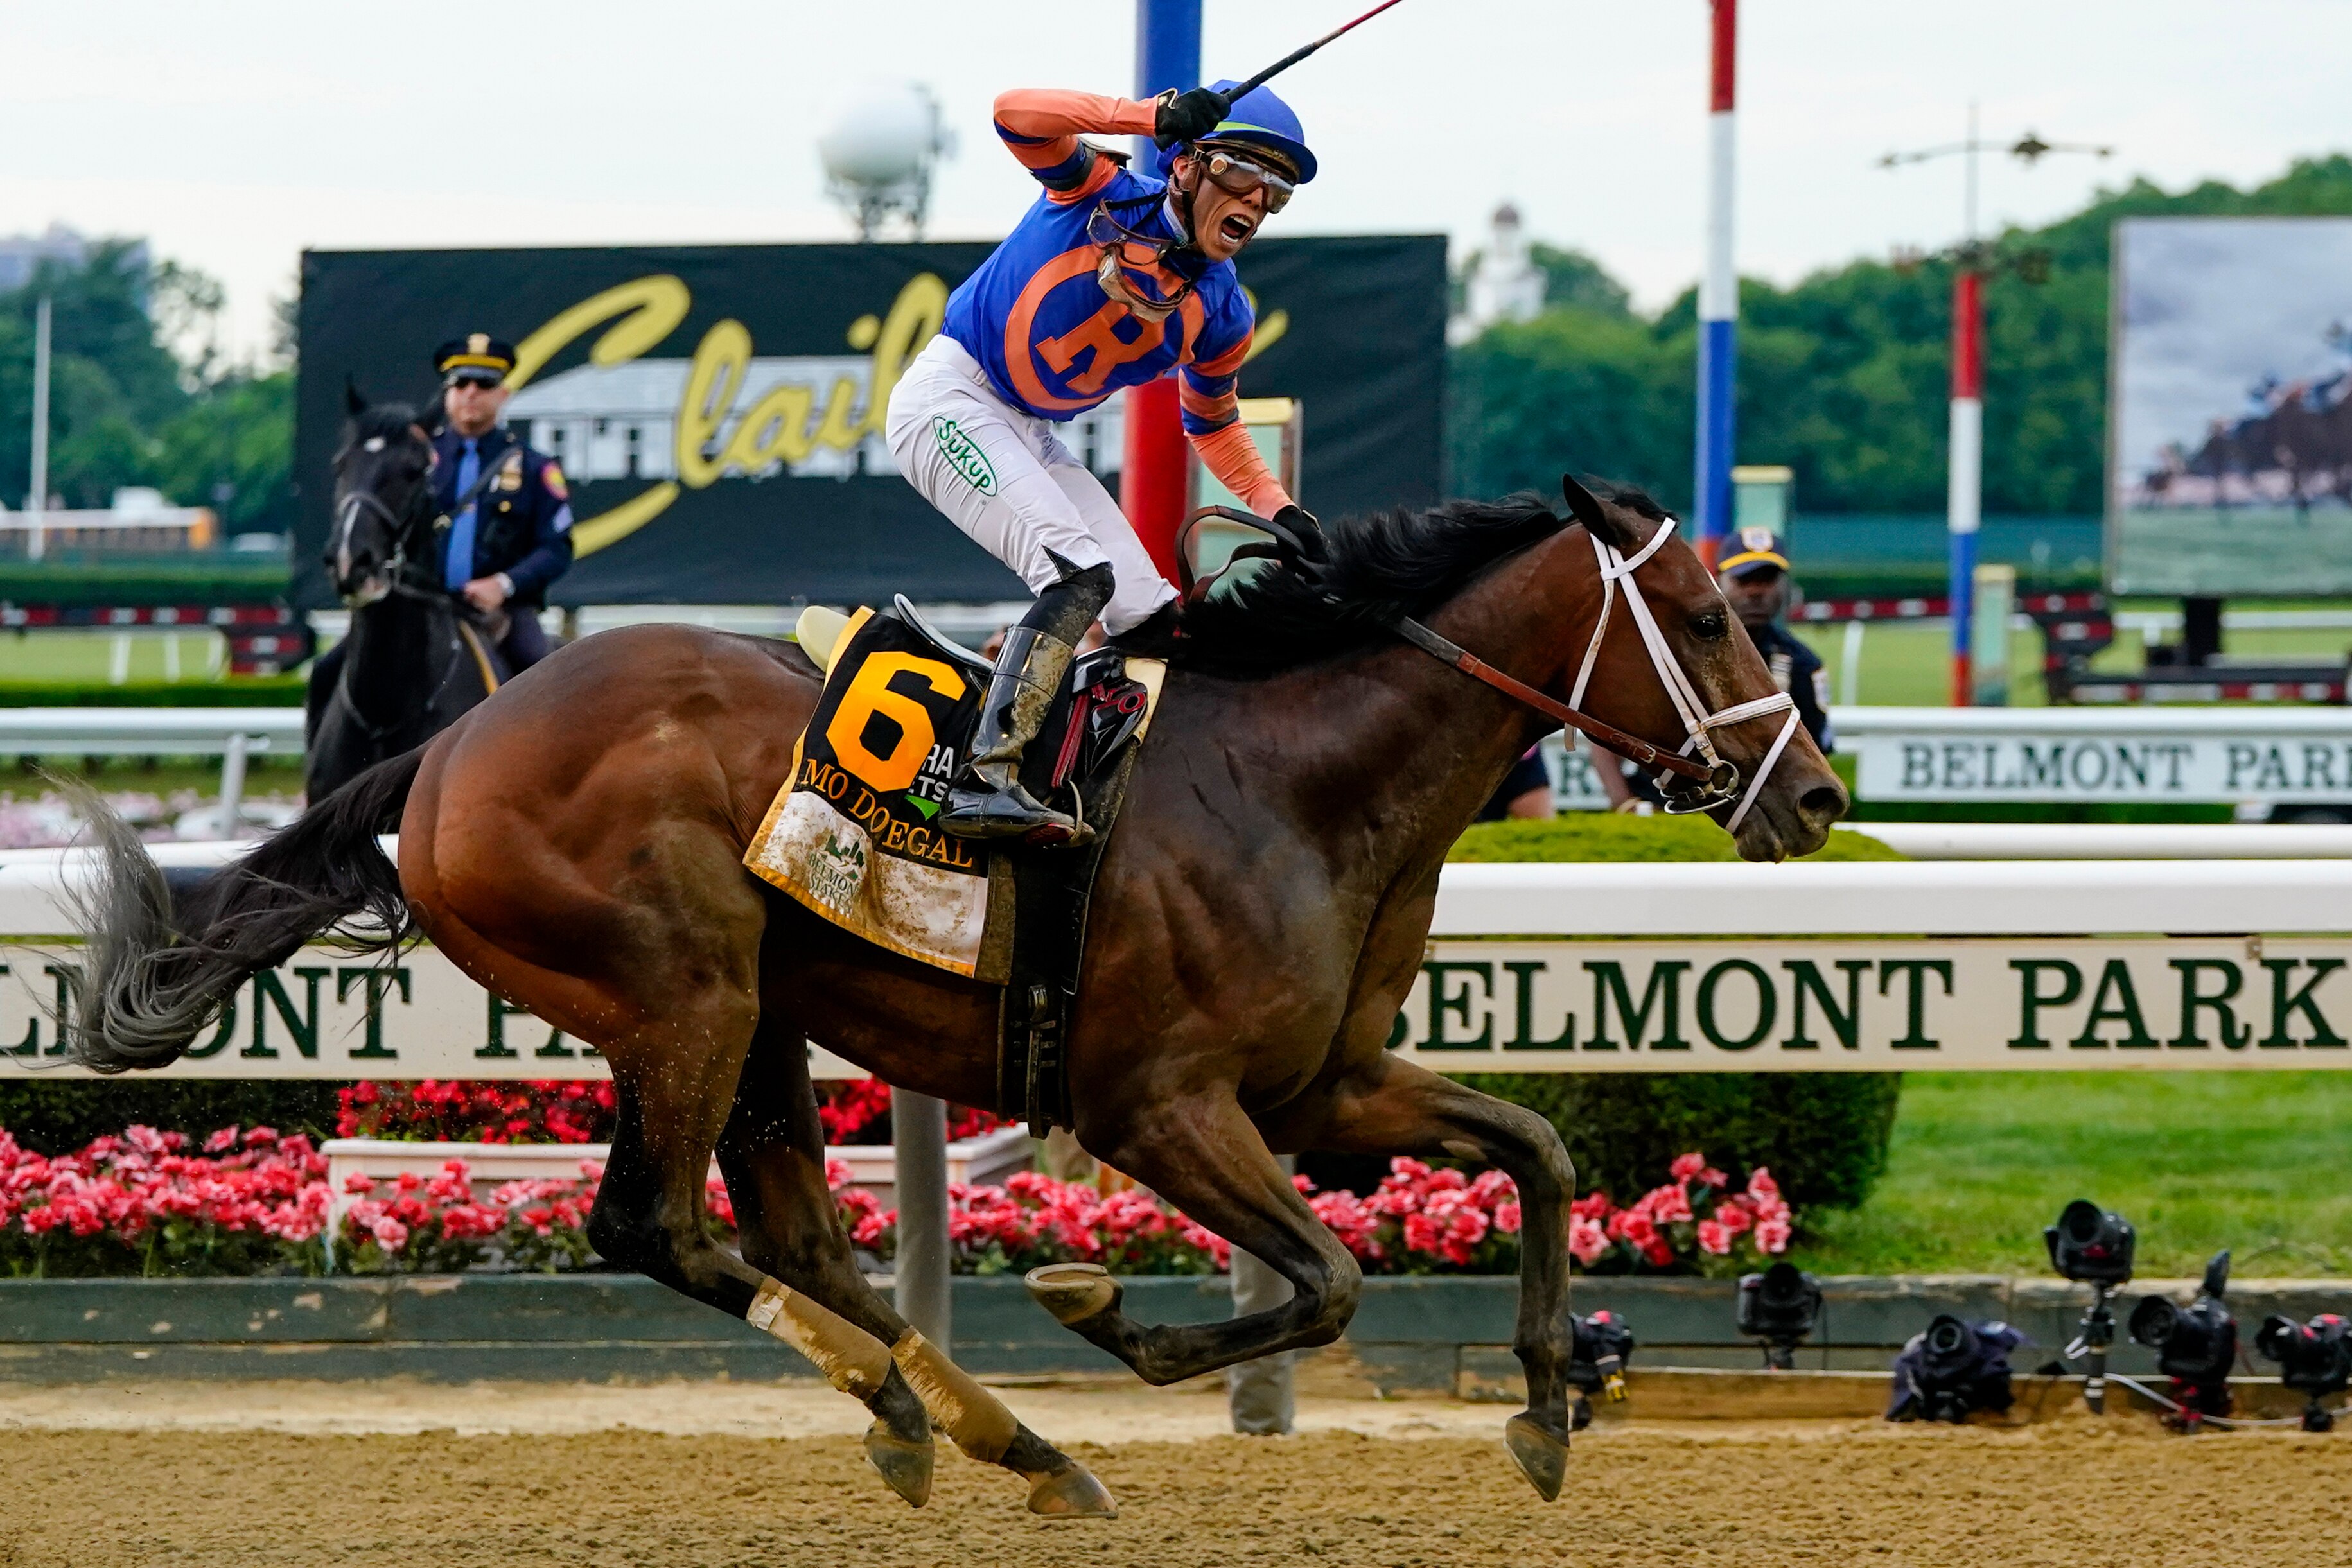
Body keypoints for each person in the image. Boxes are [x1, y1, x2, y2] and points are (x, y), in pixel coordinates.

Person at [886, 79, 1320, 841]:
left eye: (1278, 187)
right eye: (1244, 173)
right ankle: (984, 777)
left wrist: (1278, 506)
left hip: (1029, 429)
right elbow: (1010, 113)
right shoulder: (1100, 192)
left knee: (1149, 614)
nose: (1258, 201)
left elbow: (1213, 424)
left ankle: (1112, 781)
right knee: (1077, 574)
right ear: (1186, 165)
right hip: (949, 398)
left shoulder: (1223, 311)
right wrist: (1147, 117)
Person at [1596, 527, 1832, 810]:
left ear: (1783, 586)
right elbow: (1605, 735)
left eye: (1767, 580)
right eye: (1744, 580)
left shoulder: (1802, 665)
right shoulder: (1670, 651)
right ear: (1717, 580)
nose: (1756, 591)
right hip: (1660, 808)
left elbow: (1815, 754)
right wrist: (1624, 804)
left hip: (1752, 817)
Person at [429, 335, 574, 674]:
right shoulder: (417, 462)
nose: (471, 392)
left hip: (502, 612)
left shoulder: (535, 468)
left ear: (504, 394)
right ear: (448, 393)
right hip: (423, 604)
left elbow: (557, 549)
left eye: (484, 383)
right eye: (460, 382)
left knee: (544, 682)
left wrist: (504, 584)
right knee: (335, 671)